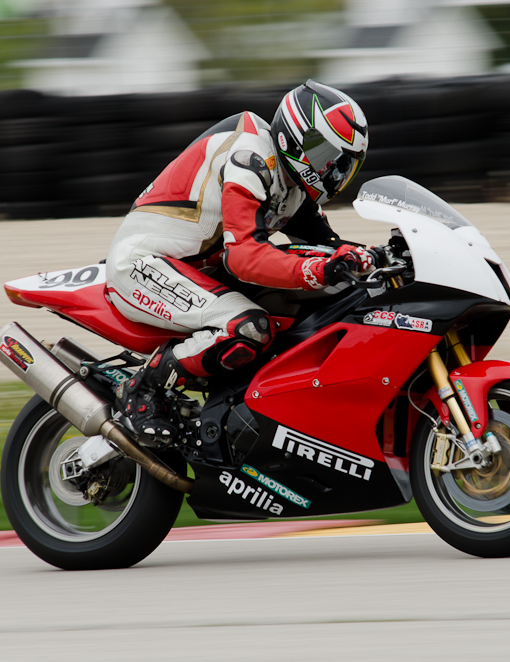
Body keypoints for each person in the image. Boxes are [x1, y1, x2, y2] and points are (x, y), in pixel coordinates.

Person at [105, 80, 372, 437]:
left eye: (344, 166)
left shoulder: (293, 184)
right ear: (299, 136)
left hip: (197, 268)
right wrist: (317, 269)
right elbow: (244, 256)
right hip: (144, 262)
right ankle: (141, 390)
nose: (334, 173)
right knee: (248, 328)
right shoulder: (252, 159)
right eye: (328, 158)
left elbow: (331, 247)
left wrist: (376, 258)